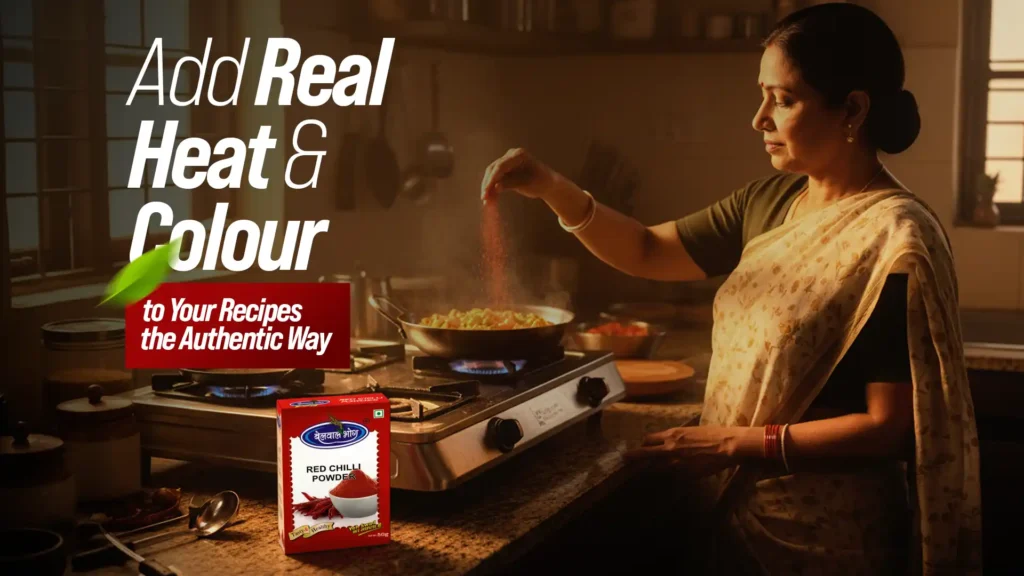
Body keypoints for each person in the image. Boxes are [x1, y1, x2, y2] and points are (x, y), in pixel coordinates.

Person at [479, 3, 981, 575]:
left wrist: (731, 445)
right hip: (729, 514)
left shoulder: (895, 237)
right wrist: (550, 187)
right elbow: (646, 249)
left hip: (827, 535)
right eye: (761, 94)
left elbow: (888, 425)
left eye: (783, 99)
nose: (758, 118)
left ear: (854, 109)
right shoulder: (769, 200)